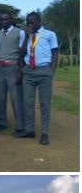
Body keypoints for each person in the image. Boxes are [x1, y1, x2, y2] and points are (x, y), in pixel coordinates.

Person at [18, 12, 58, 146]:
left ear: (39, 21)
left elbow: (55, 53)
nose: (30, 24)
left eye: (32, 22)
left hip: (44, 71)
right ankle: (29, 130)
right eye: (28, 22)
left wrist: (51, 72)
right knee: (28, 102)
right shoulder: (25, 35)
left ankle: (45, 133)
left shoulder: (50, 34)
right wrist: (26, 37)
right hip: (28, 71)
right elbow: (21, 53)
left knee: (44, 103)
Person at [0, 12, 25, 132]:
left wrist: (20, 71)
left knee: (16, 98)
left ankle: (20, 126)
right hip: (0, 69)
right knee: (0, 98)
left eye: (6, 19)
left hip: (13, 68)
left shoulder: (19, 32)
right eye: (1, 20)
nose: (4, 22)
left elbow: (22, 53)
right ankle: (1, 123)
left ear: (11, 19)